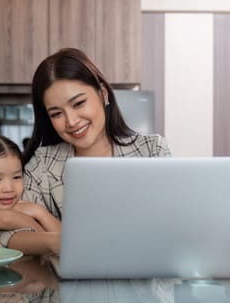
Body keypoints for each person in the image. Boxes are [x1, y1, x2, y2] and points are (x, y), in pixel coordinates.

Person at [23, 48, 172, 218]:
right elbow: (14, 234)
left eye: (78, 103)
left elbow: (171, 221)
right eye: (56, 113)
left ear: (103, 94)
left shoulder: (152, 151)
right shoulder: (42, 164)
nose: (71, 121)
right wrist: (43, 216)